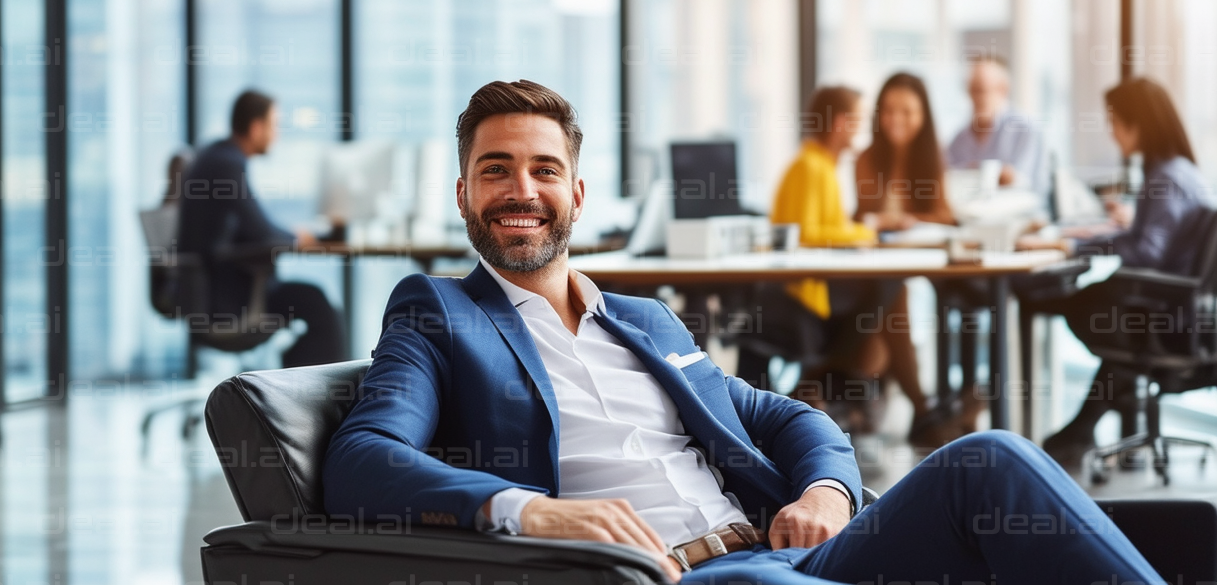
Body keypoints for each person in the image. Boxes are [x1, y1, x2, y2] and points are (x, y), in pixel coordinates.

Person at [323, 79, 1161, 585]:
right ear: (464, 195)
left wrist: (826, 493)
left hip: (788, 549)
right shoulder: (438, 312)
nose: (521, 189)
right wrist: (531, 512)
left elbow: (787, 418)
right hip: (694, 574)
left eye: (544, 170)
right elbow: (363, 464)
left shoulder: (642, 320)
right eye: (494, 170)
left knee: (993, 459)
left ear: (577, 195)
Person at [1019, 76, 1213, 466]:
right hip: (1184, 312)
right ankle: (1074, 438)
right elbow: (1157, 240)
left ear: (1137, 123)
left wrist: (1069, 243)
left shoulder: (1166, 178)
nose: (1112, 132)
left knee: (1072, 302)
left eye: (1114, 121)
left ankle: (1067, 439)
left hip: (1170, 317)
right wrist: (1127, 225)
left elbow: (1145, 252)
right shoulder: (1181, 171)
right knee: (1112, 337)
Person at [754, 86, 901, 437]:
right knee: (887, 289)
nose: (862, 130)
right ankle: (826, 385)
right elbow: (808, 233)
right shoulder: (812, 166)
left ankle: (827, 390)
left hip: (813, 286)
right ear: (840, 123)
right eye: (859, 121)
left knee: (886, 299)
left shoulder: (821, 165)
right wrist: (867, 232)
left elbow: (825, 227)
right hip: (803, 293)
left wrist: (859, 230)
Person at [177, 90, 347, 367]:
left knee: (314, 301)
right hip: (228, 300)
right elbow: (259, 230)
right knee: (319, 306)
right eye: (274, 125)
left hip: (214, 290)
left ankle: (297, 389)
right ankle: (311, 398)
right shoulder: (226, 164)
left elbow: (247, 227)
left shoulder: (217, 156)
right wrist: (295, 237)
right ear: (256, 128)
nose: (276, 135)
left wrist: (290, 236)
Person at [852, 73, 960, 444]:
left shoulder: (930, 157)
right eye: (890, 110)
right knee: (891, 295)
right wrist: (886, 221)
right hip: (875, 263)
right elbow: (866, 216)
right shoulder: (867, 158)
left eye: (907, 111)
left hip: (920, 255)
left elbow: (946, 215)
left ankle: (928, 410)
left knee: (947, 292)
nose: (897, 119)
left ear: (923, 115)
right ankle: (925, 410)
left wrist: (914, 221)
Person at [946, 54, 1047, 194]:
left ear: (1003, 89)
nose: (975, 98)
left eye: (981, 90)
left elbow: (1029, 187)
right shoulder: (959, 139)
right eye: (971, 90)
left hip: (1022, 213)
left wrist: (1004, 177)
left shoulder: (1025, 130)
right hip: (971, 213)